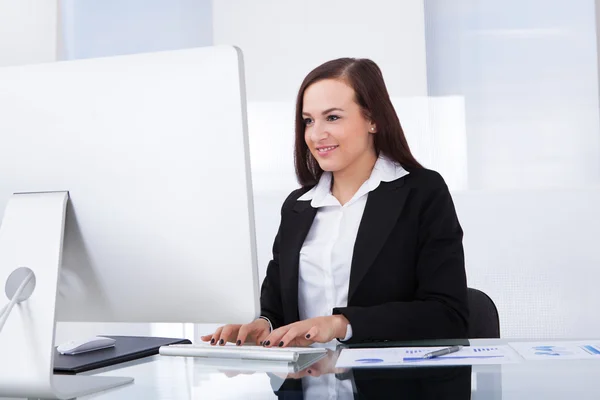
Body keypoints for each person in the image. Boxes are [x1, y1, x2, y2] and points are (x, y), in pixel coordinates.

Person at [201, 57, 469, 348]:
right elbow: (277, 308)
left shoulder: (421, 193)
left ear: (373, 120)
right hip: (306, 384)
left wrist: (341, 324)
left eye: (332, 117)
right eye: (308, 121)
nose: (316, 135)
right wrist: (261, 325)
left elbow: (448, 314)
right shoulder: (298, 207)